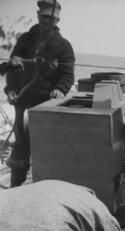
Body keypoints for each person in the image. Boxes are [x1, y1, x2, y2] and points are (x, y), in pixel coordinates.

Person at [1, 0, 74, 187]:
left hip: (45, 107)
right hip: (22, 103)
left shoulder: (64, 46)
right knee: (20, 147)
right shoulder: (25, 40)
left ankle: (43, 190)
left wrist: (60, 89)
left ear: (58, 20)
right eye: (45, 17)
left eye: (53, 19)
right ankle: (16, 189)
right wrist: (10, 91)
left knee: (46, 150)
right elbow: (12, 67)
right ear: (38, 16)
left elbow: (67, 75)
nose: (49, 22)